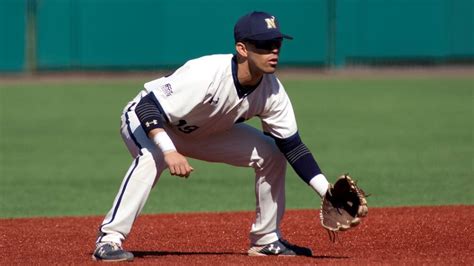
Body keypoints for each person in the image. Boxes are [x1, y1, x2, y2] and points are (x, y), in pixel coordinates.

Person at [92, 11, 331, 262]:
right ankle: (108, 240)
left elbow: (292, 146)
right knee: (152, 156)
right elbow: (147, 108)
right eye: (263, 45)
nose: (273, 51)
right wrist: (168, 150)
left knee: (272, 153)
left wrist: (327, 193)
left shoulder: (272, 91)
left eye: (277, 44)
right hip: (148, 122)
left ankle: (266, 240)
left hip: (203, 131)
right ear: (242, 48)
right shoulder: (205, 73)